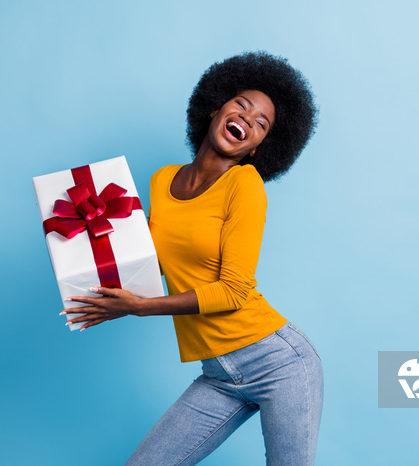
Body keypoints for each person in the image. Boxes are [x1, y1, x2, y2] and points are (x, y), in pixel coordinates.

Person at [63, 51, 323, 465]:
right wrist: (103, 264)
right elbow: (150, 260)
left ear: (259, 147)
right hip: (219, 376)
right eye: (242, 105)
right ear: (215, 107)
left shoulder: (245, 184)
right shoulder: (163, 180)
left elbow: (234, 291)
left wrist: (141, 308)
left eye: (262, 124)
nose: (249, 120)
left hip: (278, 363)